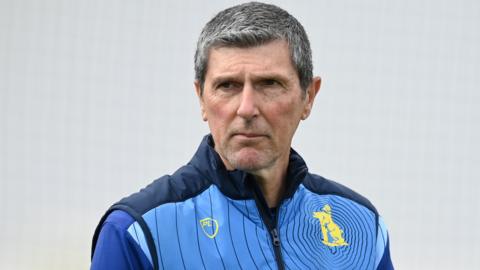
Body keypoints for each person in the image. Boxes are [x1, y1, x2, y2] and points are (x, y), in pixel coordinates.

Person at [90, 2, 394, 270]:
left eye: (270, 84)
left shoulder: (360, 226)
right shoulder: (137, 233)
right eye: (228, 86)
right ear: (201, 98)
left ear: (308, 97)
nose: (247, 108)